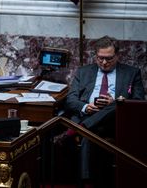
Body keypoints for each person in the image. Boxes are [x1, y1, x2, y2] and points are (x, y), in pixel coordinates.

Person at [56, 35, 145, 184]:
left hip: (113, 122)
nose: (104, 63)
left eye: (109, 59)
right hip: (87, 117)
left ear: (117, 56)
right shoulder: (84, 71)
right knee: (89, 135)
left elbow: (138, 101)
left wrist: (114, 102)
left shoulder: (132, 72)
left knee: (118, 103)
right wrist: (85, 107)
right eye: (100, 58)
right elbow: (70, 100)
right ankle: (88, 180)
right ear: (95, 56)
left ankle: (75, 130)